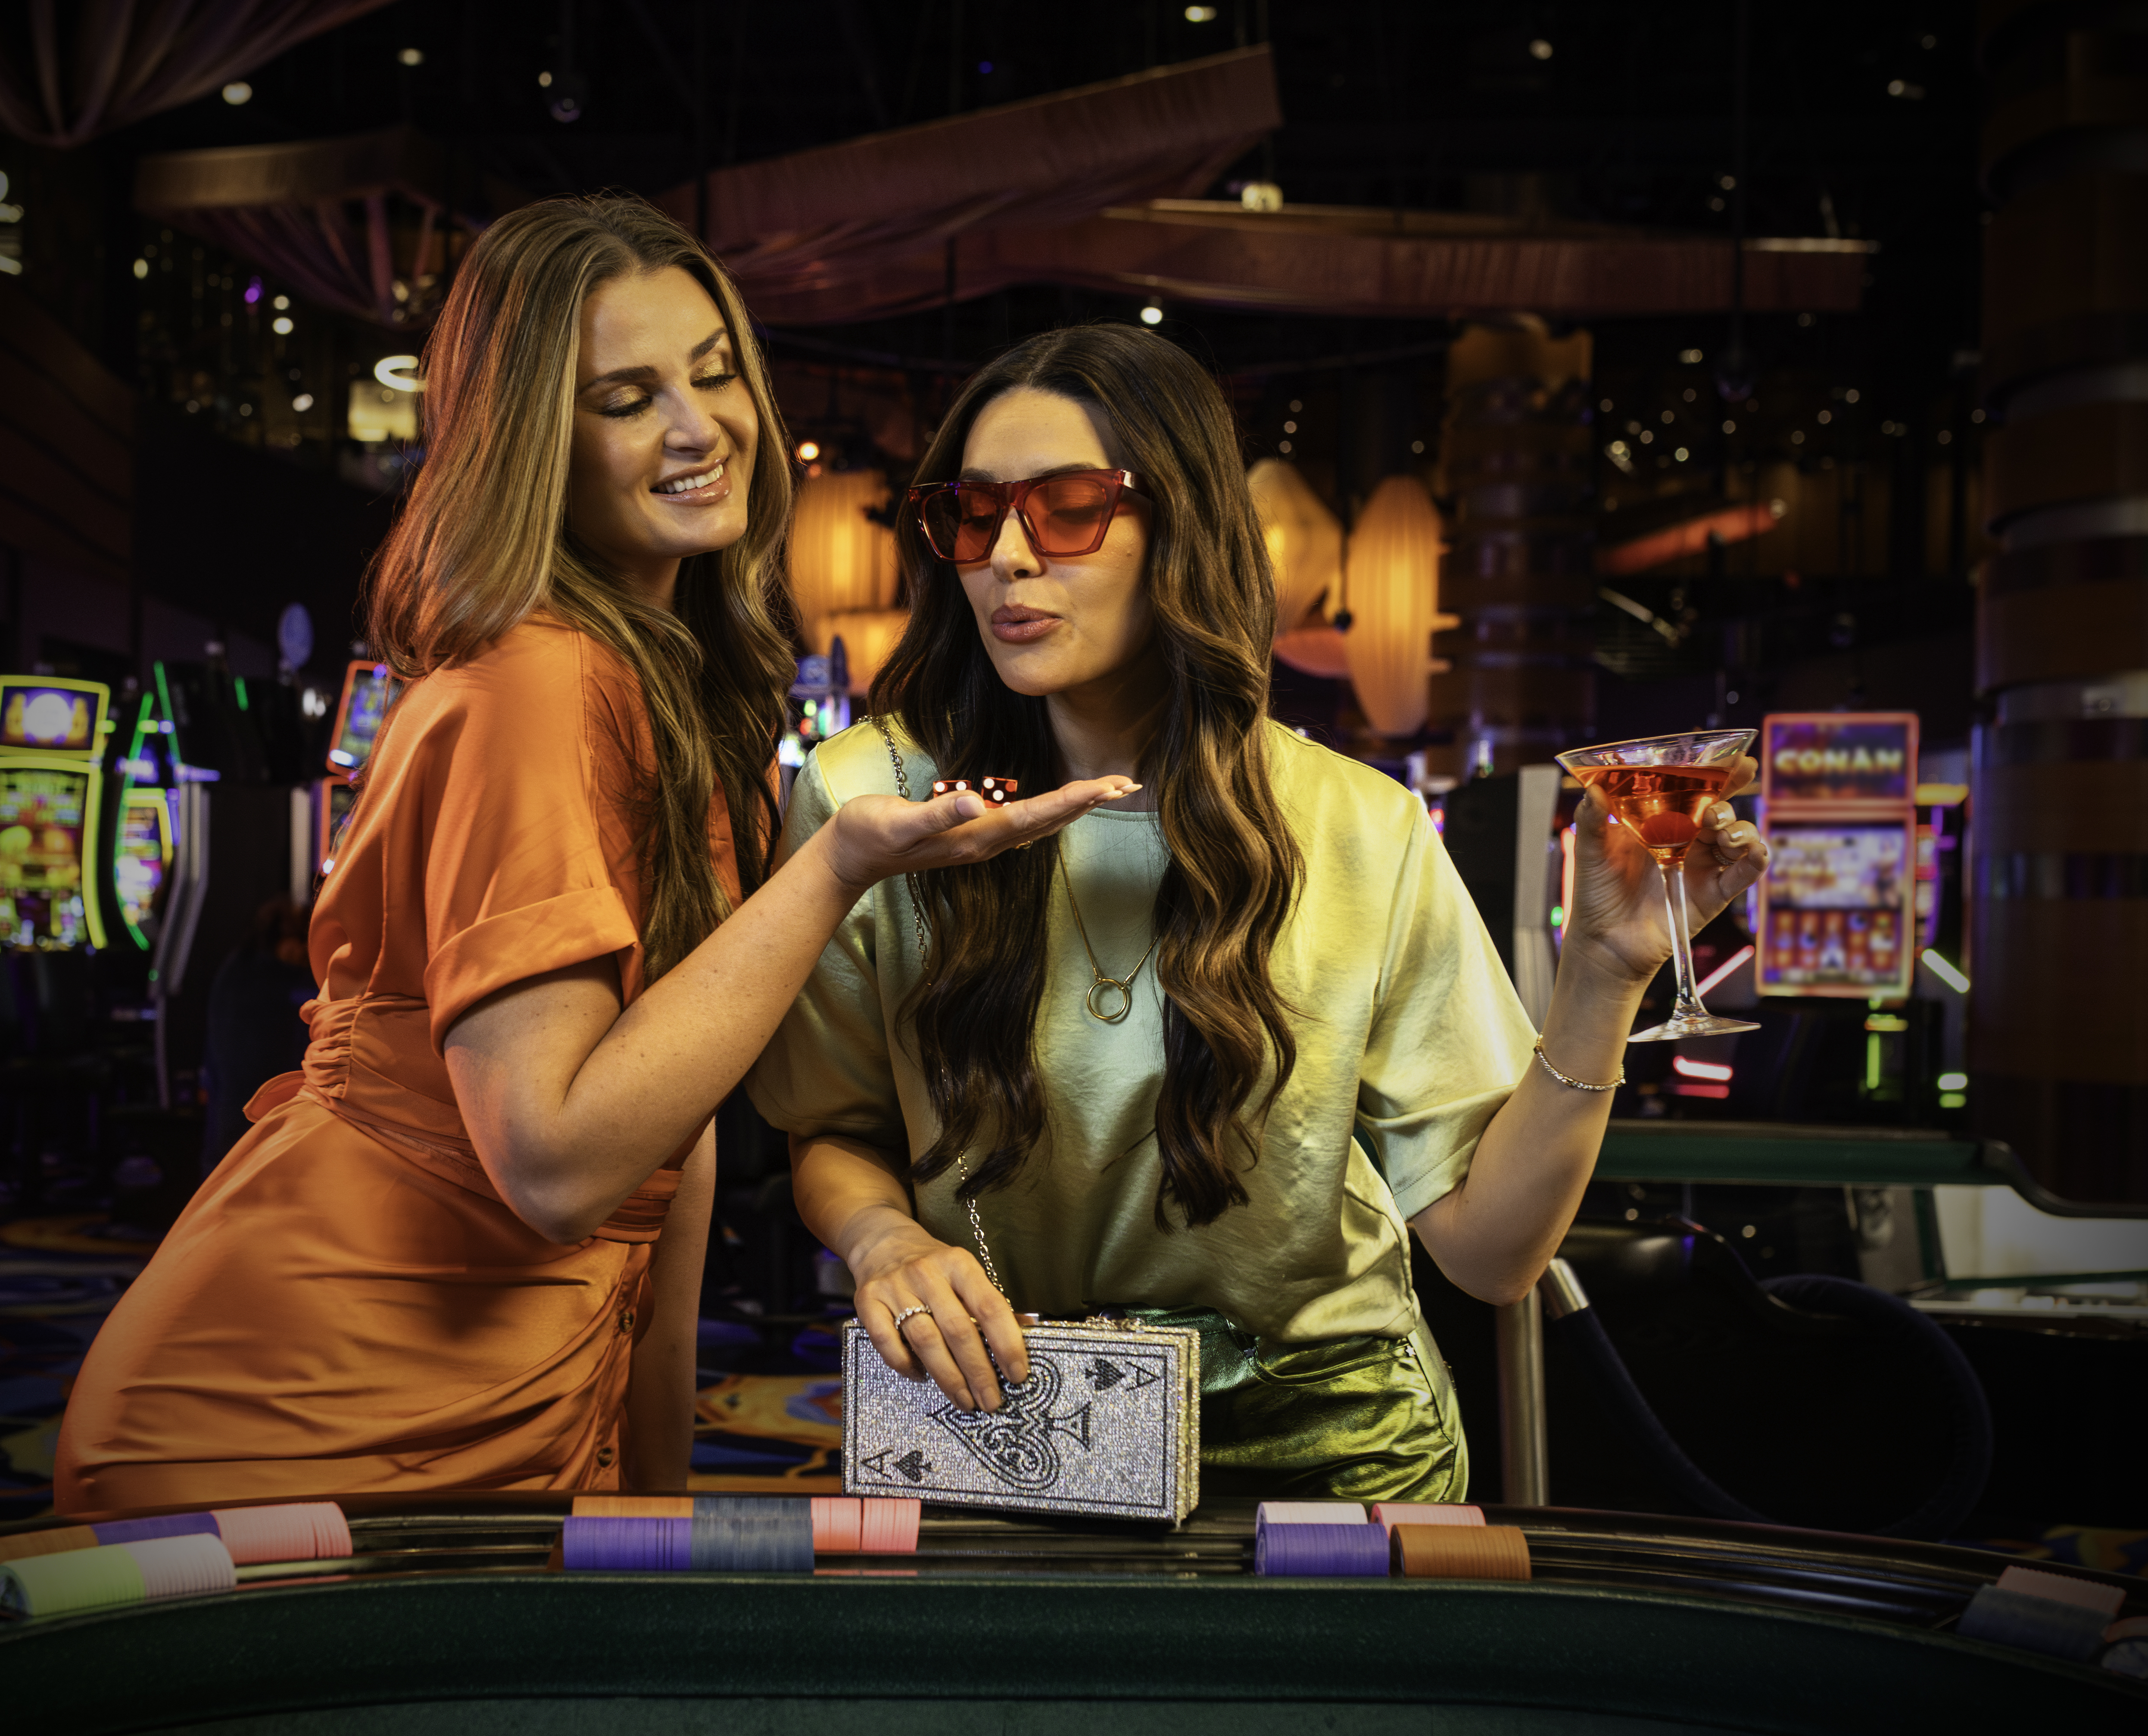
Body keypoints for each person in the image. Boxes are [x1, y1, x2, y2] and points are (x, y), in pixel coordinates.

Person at [55, 196, 1134, 1515]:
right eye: (626, 396)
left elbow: (662, 1162)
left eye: (713, 369)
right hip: (307, 1399)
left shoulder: (666, 688)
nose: (698, 426)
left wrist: (648, 1492)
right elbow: (558, 1162)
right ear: (536, 443)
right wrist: (833, 865)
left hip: (518, 1398)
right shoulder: (535, 683)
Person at [749, 324, 1772, 1499]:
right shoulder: (866, 799)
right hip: (1013, 1423)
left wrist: (1603, 972)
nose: (1007, 556)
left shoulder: (1358, 826)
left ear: (1179, 525)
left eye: (1068, 506)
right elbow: (828, 1126)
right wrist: (883, 1236)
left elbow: (1490, 1255)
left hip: (1334, 1452)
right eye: (972, 516)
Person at [199, 894, 315, 1174]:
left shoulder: (235, 969)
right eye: (303, 940)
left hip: (226, 1116)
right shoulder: (282, 983)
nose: (306, 950)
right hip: (260, 1121)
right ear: (285, 939)